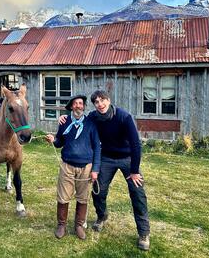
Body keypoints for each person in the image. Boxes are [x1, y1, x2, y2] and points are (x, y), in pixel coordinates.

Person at [59, 90, 150, 251]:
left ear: (109, 100)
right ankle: (101, 216)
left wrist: (134, 171)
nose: (100, 104)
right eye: (97, 102)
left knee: (137, 193)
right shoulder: (94, 117)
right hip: (107, 158)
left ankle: (143, 233)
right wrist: (64, 117)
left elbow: (136, 145)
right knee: (98, 191)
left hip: (127, 158)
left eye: (103, 100)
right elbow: (79, 118)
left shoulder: (124, 117)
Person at [45, 95, 101, 240]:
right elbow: (59, 142)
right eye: (75, 104)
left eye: (81, 103)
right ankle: (61, 225)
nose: (78, 106)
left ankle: (78, 226)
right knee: (63, 197)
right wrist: (53, 140)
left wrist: (95, 169)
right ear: (71, 107)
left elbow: (97, 147)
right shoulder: (64, 122)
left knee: (83, 198)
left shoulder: (90, 123)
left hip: (86, 167)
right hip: (67, 166)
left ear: (83, 106)